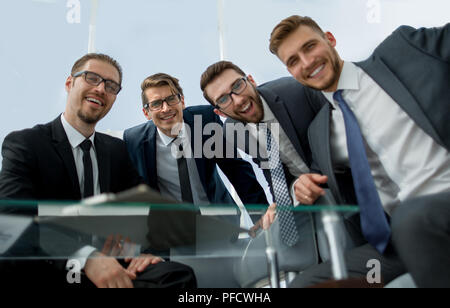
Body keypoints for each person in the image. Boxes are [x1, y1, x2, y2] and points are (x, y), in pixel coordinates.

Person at [269, 15, 449, 287]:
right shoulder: (321, 132)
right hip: (396, 243)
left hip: (439, 203)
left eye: (309, 47)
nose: (306, 63)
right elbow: (316, 176)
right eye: (293, 61)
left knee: (412, 219)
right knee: (304, 285)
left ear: (330, 39)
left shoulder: (399, 53)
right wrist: (298, 187)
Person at [0, 53, 196, 288]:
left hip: (114, 268)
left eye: (111, 86)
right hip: (52, 267)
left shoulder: (116, 150)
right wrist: (86, 257)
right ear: (69, 83)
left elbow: (147, 211)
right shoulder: (26, 144)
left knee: (176, 276)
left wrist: (146, 251)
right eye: (92, 78)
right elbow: (12, 219)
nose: (101, 89)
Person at [200, 61, 331, 282]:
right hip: (304, 200)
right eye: (224, 99)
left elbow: (333, 138)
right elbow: (273, 170)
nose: (238, 100)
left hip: (337, 184)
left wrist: (310, 179)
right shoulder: (233, 130)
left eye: (238, 86)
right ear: (219, 112)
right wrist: (280, 200)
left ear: (250, 80)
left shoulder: (294, 92)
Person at [123, 73, 268, 227]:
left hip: (220, 223)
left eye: (171, 99)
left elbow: (238, 173)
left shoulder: (205, 121)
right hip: (170, 232)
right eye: (156, 104)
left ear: (182, 101)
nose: (166, 109)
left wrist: (263, 220)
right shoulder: (134, 140)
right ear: (147, 113)